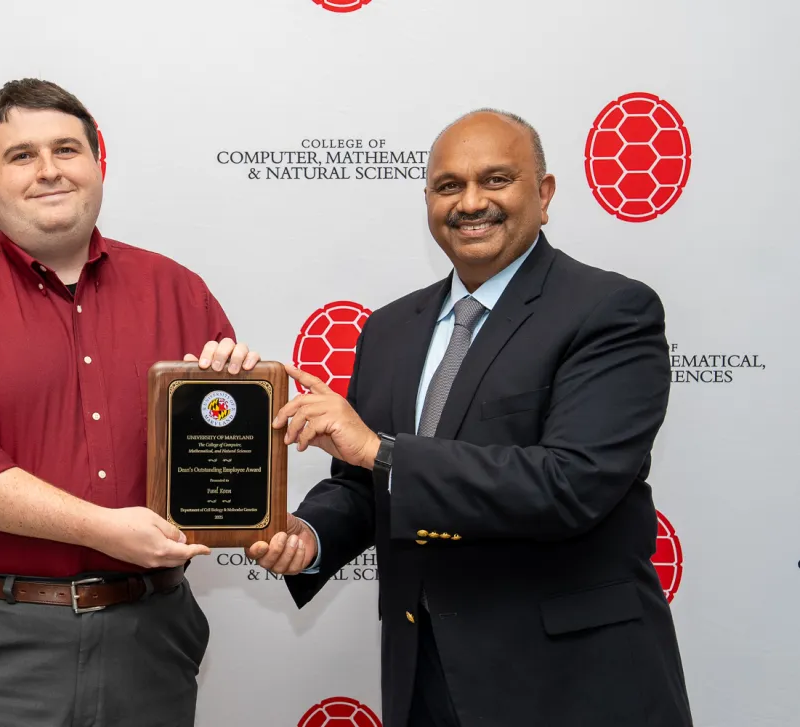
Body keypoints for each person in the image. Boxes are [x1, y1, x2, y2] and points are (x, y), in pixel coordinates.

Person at [249, 110, 693, 727]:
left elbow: (571, 484)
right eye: (449, 185)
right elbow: (364, 485)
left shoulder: (611, 311)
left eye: (497, 179)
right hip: (423, 675)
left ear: (544, 193)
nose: (471, 202)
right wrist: (311, 535)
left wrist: (382, 451)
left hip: (572, 683)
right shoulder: (389, 329)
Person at [0, 78, 259, 727]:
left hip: (147, 638)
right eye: (21, 155)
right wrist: (107, 529)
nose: (49, 170)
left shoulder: (179, 291)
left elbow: (218, 462)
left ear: (100, 162)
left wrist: (240, 401)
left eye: (67, 149)